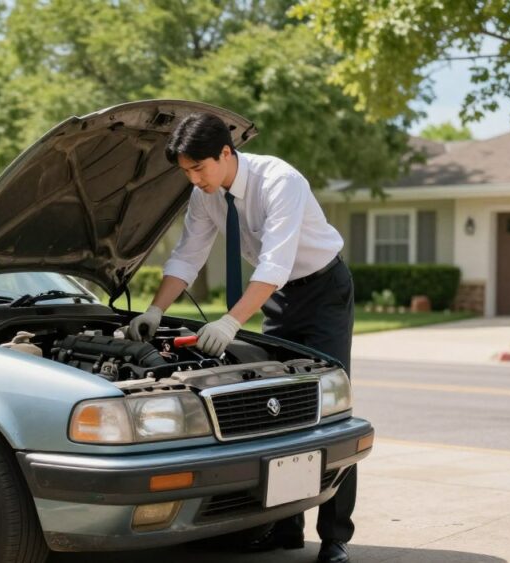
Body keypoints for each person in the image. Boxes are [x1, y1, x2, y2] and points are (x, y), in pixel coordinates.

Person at [129, 112, 355, 563]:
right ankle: (286, 529)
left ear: (226, 153)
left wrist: (230, 322)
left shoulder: (280, 181)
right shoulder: (206, 194)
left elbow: (274, 263)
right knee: (281, 410)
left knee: (328, 410)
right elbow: (187, 255)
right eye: (187, 172)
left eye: (200, 169)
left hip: (323, 289)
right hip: (276, 298)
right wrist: (155, 310)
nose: (194, 180)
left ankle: (334, 538)